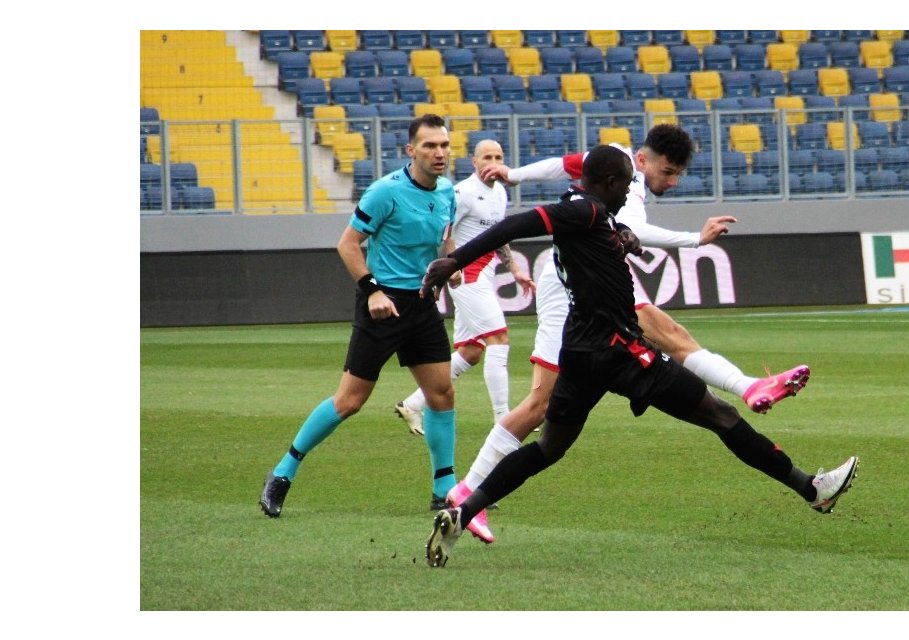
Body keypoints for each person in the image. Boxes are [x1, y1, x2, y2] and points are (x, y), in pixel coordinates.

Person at [422, 145, 858, 568]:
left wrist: (620, 239)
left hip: (581, 351)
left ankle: (463, 511)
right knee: (721, 415)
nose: (630, 193)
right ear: (610, 183)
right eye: (626, 185)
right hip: (622, 352)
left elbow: (587, 236)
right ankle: (812, 489)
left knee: (549, 447)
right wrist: (453, 260)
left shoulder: (589, 210)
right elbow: (517, 225)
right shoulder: (586, 212)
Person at [259, 113, 461, 517]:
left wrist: (450, 267)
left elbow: (446, 239)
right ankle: (282, 473)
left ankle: (445, 489)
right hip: (382, 306)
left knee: (442, 394)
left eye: (443, 145)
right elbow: (348, 245)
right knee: (350, 401)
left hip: (422, 304)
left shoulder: (447, 192)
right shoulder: (384, 192)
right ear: (411, 151)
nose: (439, 153)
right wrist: (372, 292)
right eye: (429, 146)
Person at [393, 139, 536, 436]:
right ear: (474, 161)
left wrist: (515, 269)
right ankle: (504, 419)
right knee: (499, 339)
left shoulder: (499, 192)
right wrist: (444, 267)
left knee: (471, 351)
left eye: (498, 156)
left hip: (483, 273)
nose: (492, 161)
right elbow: (441, 231)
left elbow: (498, 235)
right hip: (465, 274)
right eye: (487, 156)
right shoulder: (463, 194)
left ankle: (413, 404)